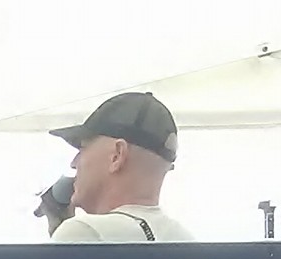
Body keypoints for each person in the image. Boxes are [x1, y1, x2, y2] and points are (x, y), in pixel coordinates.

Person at [43, 92, 193, 243]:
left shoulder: (83, 231)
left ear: (117, 155)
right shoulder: (185, 239)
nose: (74, 163)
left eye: (82, 148)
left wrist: (61, 234)